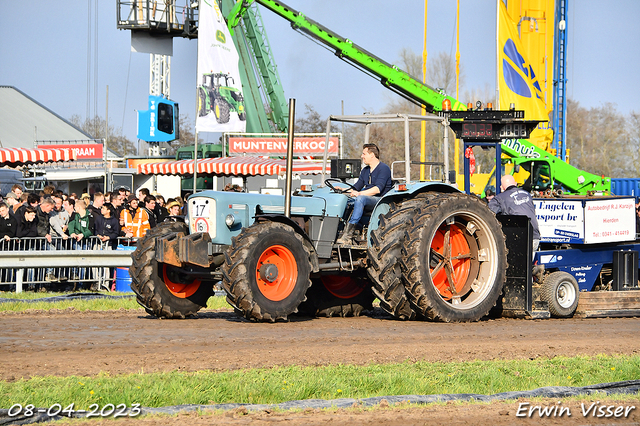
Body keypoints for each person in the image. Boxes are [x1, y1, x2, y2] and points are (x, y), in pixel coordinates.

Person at [336, 143, 393, 244]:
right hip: (366, 198)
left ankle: (348, 235)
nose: (362, 156)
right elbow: (356, 187)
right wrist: (342, 189)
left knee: (360, 198)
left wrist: (360, 193)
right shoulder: (365, 170)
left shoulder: (384, 168)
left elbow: (377, 189)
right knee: (345, 200)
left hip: (379, 200)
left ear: (372, 155)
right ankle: (339, 230)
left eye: (364, 154)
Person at [488, 174, 541, 257]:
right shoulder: (527, 194)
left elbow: (488, 214)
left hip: (519, 239)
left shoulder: (500, 198)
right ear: (515, 184)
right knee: (528, 266)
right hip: (534, 237)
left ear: (502, 187)